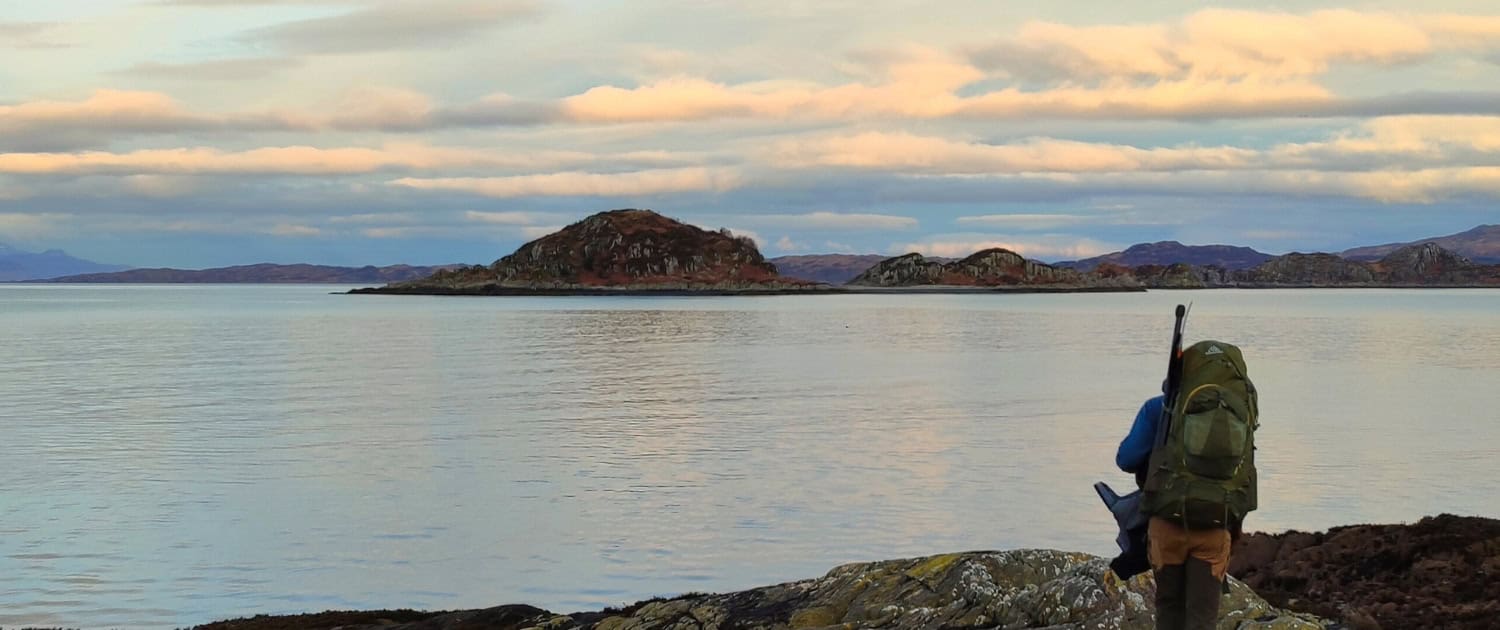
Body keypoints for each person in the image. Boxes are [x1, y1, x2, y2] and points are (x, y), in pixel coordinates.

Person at [1117, 384, 1233, 630]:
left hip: (1166, 521)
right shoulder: (1232, 409)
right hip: (1214, 524)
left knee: (1169, 610)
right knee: (1203, 618)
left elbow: (1126, 459)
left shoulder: (1157, 407)